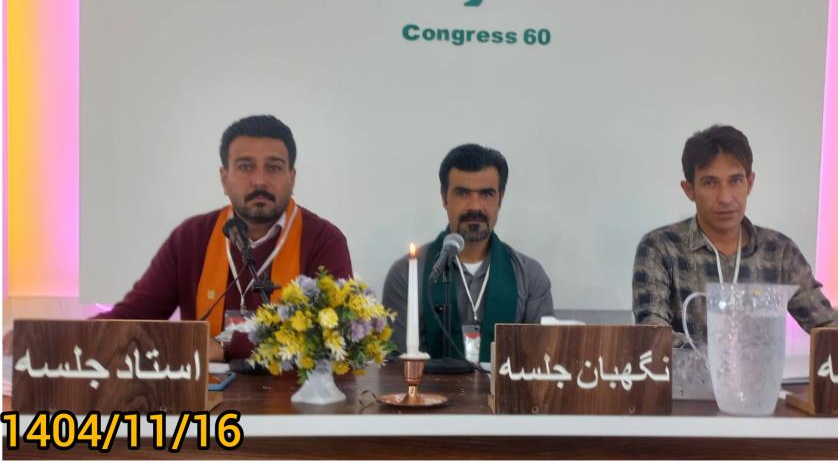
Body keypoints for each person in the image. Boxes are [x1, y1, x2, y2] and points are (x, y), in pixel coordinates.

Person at [94, 115, 353, 360]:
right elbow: (134, 317)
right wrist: (76, 337)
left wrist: (225, 345)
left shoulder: (324, 241)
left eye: (273, 167)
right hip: (204, 391)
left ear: (292, 178)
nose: (259, 180)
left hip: (292, 390)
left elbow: (333, 335)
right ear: (224, 178)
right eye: (245, 167)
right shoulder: (191, 237)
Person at [632, 125, 838, 348]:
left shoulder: (779, 251)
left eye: (735, 181)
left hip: (762, 373)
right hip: (687, 373)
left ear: (750, 183)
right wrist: (721, 360)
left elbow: (827, 324)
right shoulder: (660, 248)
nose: (725, 198)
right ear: (689, 190)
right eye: (710, 183)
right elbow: (653, 333)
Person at [382, 144, 553, 364]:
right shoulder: (406, 274)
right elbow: (396, 366)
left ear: (500, 199)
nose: (475, 206)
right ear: (444, 198)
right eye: (462, 193)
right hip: (429, 388)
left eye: (486, 194)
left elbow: (542, 363)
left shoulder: (529, 276)